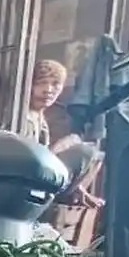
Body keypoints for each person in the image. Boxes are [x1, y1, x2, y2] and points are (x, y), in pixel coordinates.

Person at [25, 60, 104, 209]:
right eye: (41, 83)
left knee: (96, 154)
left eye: (55, 84)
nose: (48, 90)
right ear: (29, 85)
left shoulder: (40, 117)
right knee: (83, 151)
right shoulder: (24, 117)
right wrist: (57, 149)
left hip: (39, 180)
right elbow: (29, 162)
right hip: (26, 185)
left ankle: (72, 193)